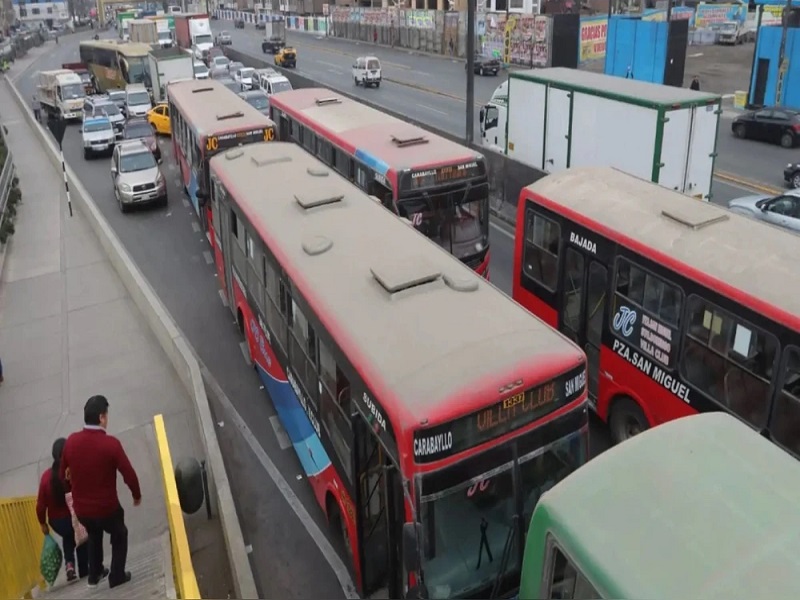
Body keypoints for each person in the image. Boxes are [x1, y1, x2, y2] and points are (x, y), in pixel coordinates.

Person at [60, 395, 141, 590]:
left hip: (83, 511)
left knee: (94, 534)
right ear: (101, 418)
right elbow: (128, 473)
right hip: (107, 508)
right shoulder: (111, 444)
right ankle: (117, 575)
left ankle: (94, 574)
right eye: (107, 415)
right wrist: (136, 494)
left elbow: (63, 475)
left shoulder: (71, 442)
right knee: (119, 532)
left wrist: (73, 491)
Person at [36, 438, 89, 582]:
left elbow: (40, 505)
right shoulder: (72, 471)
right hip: (76, 517)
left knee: (68, 535)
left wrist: (42, 523)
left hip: (57, 522)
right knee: (80, 535)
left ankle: (70, 565)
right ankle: (84, 570)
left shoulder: (47, 477)